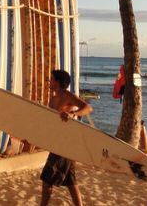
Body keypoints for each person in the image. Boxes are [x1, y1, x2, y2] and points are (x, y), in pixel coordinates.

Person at [40, 70, 93, 206]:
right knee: (71, 181)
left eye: (51, 79)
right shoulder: (52, 99)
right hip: (58, 142)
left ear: (57, 82)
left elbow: (87, 108)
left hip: (66, 143)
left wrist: (73, 114)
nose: (49, 81)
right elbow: (50, 123)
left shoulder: (68, 96)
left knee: (47, 178)